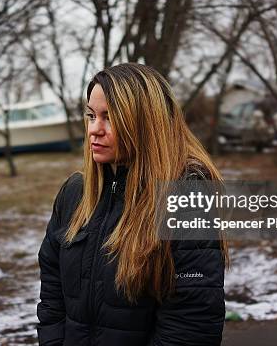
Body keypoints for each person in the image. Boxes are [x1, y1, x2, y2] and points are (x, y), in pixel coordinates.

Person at [37, 63, 228, 346]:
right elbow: (52, 288)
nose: (94, 130)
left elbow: (191, 324)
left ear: (146, 123)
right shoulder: (75, 193)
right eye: (91, 116)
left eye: (110, 118)